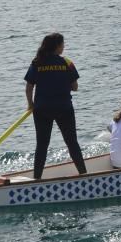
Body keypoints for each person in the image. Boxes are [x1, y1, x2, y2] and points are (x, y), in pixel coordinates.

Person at [24, 32, 87, 179]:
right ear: (58, 46)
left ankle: (37, 178)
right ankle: (84, 174)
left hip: (42, 109)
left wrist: (30, 104)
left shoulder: (37, 62)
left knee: (42, 146)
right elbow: (75, 87)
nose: (64, 47)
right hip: (63, 108)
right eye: (63, 44)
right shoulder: (67, 62)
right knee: (72, 143)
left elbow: (29, 86)